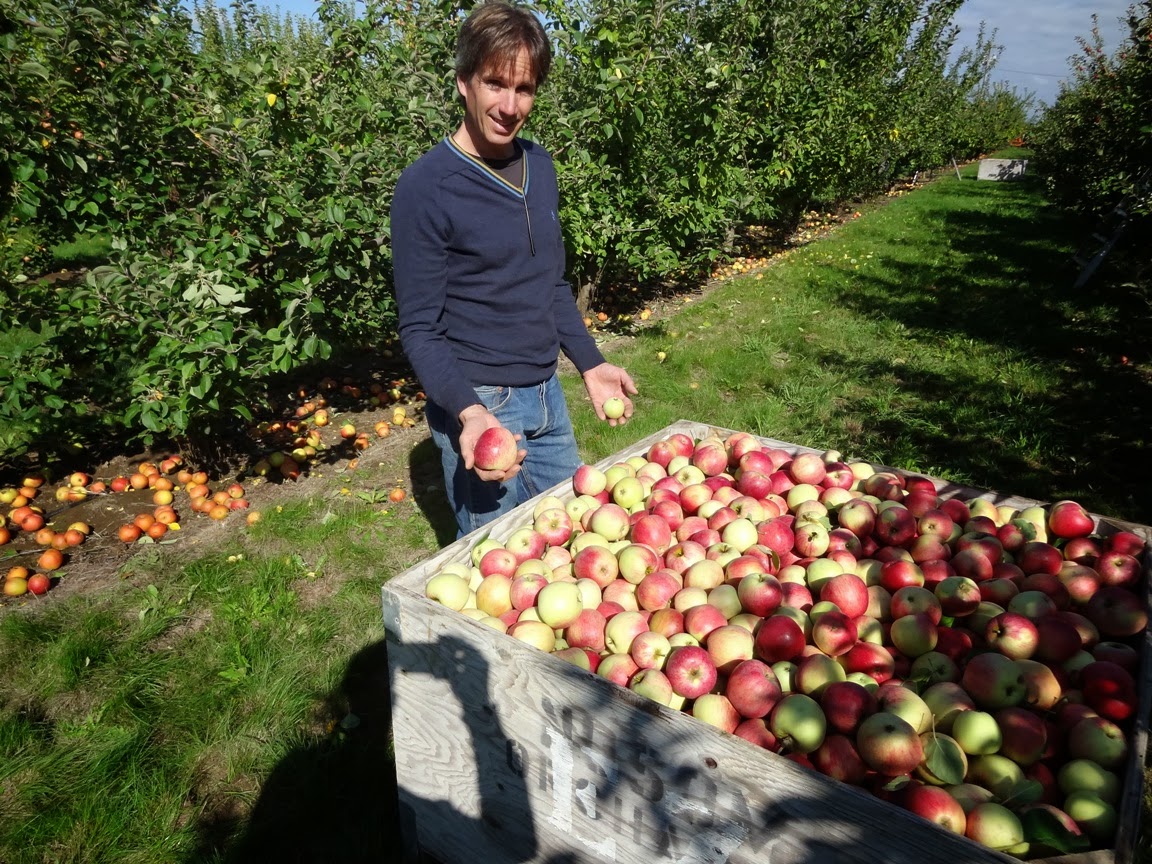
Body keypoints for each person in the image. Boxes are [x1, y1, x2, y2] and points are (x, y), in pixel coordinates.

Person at [390, 0, 637, 538]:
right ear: (463, 83)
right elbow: (420, 327)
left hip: (549, 393)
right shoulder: (426, 188)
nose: (509, 104)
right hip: (482, 399)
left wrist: (590, 366)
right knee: (496, 560)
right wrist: (468, 413)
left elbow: (549, 283)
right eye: (494, 83)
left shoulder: (540, 166)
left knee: (574, 539)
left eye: (523, 88)